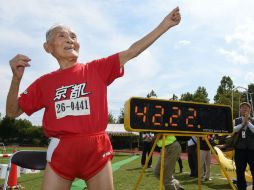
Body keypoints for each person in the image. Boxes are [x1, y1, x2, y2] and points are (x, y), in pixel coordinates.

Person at [6, 7, 181, 190]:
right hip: (62, 152)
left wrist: (166, 25)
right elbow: (12, 112)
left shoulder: (96, 69)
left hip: (97, 151)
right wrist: (16, 79)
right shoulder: (44, 83)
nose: (70, 40)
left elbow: (132, 51)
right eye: (62, 36)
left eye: (73, 36)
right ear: (48, 47)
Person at [233, 102, 254, 190]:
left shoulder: (253, 120)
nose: (245, 108)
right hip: (239, 150)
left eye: (247, 107)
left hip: (252, 151)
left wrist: (247, 122)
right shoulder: (236, 120)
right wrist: (242, 124)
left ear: (250, 110)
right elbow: (232, 130)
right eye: (243, 107)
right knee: (240, 172)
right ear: (240, 110)